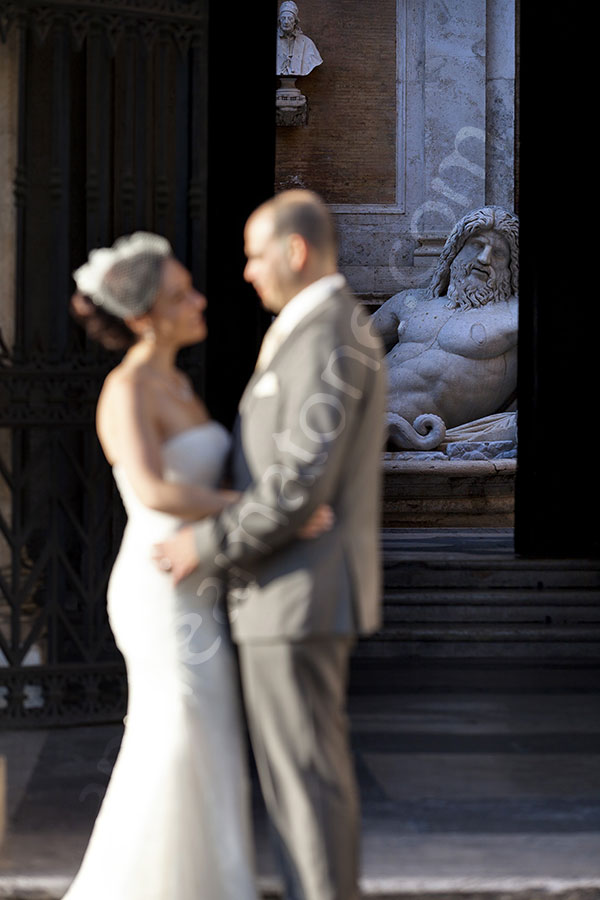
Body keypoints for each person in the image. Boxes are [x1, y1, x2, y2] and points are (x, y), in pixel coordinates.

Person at [62, 231, 330, 900]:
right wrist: (259, 507)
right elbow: (153, 490)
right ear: (145, 314)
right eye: (183, 294)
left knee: (206, 736)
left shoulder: (176, 381)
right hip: (157, 588)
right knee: (174, 735)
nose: (201, 300)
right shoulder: (128, 390)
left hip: (199, 586)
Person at [153, 190, 387, 900]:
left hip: (299, 593)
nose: (248, 272)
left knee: (306, 787)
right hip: (285, 588)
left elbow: (298, 482)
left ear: (295, 251)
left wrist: (210, 541)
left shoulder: (330, 337)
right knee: (298, 789)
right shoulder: (309, 329)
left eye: (256, 255)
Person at [371, 206, 519, 448]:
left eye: (499, 253)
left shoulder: (515, 315)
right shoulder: (412, 301)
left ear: (511, 267)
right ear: (456, 250)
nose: (484, 258)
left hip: (407, 428)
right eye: (477, 245)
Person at [276, 0, 323, 77]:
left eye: (290, 18)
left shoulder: (307, 43)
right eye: (283, 18)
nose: (286, 22)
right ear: (279, 21)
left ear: (295, 21)